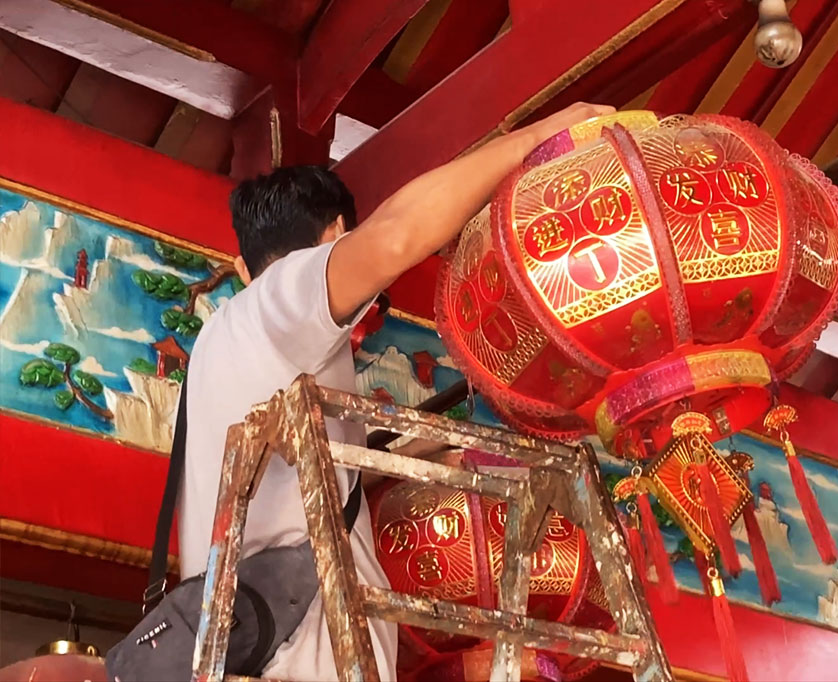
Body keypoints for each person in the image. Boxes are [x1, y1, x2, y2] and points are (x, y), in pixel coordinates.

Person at [178, 101, 615, 681]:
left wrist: (421, 456)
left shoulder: (224, 345)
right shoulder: (284, 295)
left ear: (241, 263)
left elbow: (310, 482)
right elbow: (394, 237)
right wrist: (533, 138)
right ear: (334, 235)